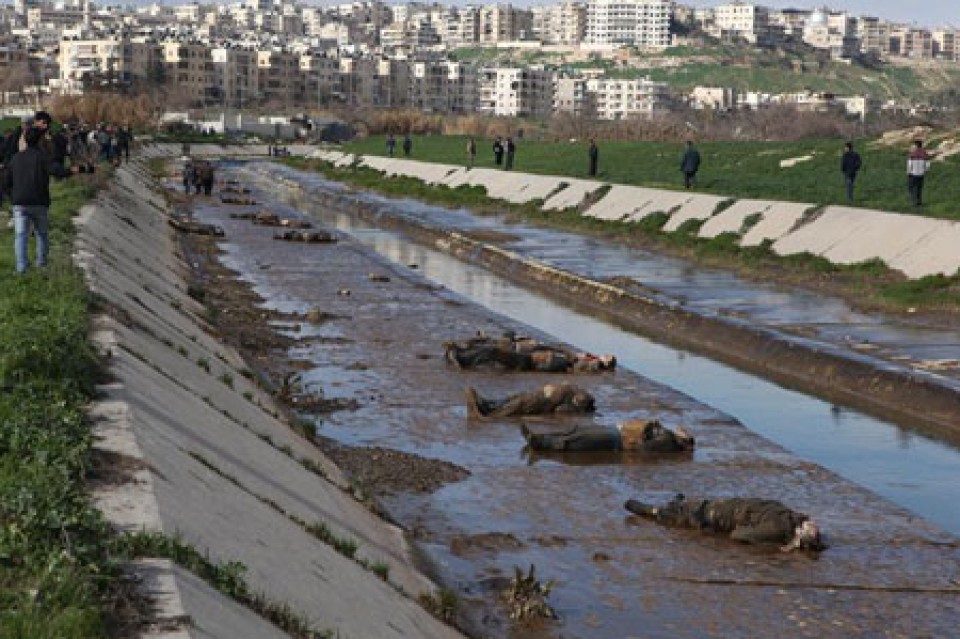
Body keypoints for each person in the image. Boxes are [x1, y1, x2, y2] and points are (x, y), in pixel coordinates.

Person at [624, 494, 824, 552]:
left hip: (715, 505)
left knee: (679, 509)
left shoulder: (787, 514)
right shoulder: (780, 528)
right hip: (708, 515)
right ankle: (643, 507)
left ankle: (673, 503)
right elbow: (738, 536)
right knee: (662, 515)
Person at [4, 126, 76, 273]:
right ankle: (41, 264)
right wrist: (73, 170)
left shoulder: (15, 158)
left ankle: (22, 268)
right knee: (41, 234)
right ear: (39, 141)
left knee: (20, 236)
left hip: (20, 203)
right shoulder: (43, 158)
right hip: (39, 202)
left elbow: (6, 181)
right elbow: (58, 171)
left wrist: (13, 196)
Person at [444, 333, 616, 373]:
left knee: (494, 351)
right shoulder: (586, 358)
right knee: (493, 352)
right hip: (529, 359)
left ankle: (462, 358)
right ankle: (464, 356)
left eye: (608, 357)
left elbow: (553, 365)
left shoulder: (591, 364)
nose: (605, 354)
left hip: (527, 361)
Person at [523, 420, 695, 453]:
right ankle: (539, 437)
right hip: (615, 432)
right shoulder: (667, 435)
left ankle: (541, 443)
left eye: (684, 433)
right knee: (577, 431)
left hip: (617, 439)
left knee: (579, 439)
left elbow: (644, 448)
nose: (681, 429)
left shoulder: (668, 439)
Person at [465, 382, 595, 419]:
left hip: (541, 401)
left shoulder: (570, 405)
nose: (580, 398)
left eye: (581, 400)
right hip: (537, 394)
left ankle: (487, 414)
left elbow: (558, 411)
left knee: (516, 405)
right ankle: (487, 404)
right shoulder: (574, 389)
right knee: (513, 398)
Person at [907, 139, 931, 207]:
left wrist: (909, 172)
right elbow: (927, 163)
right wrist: (926, 170)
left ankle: (914, 201)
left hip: (913, 173)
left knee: (911, 187)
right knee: (919, 188)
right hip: (921, 174)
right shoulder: (924, 153)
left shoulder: (912, 153)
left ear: (916, 145)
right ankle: (919, 201)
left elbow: (909, 164)